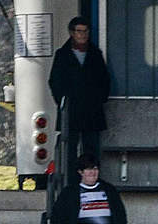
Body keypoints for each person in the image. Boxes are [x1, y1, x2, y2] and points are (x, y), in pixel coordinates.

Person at [49, 16, 112, 161]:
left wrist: (100, 99)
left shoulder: (95, 54)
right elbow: (54, 81)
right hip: (71, 109)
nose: (82, 35)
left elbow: (104, 79)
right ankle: (72, 181)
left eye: (85, 31)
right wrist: (63, 101)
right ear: (72, 33)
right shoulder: (62, 55)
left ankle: (91, 178)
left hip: (92, 109)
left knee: (92, 149)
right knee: (69, 150)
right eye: (79, 31)